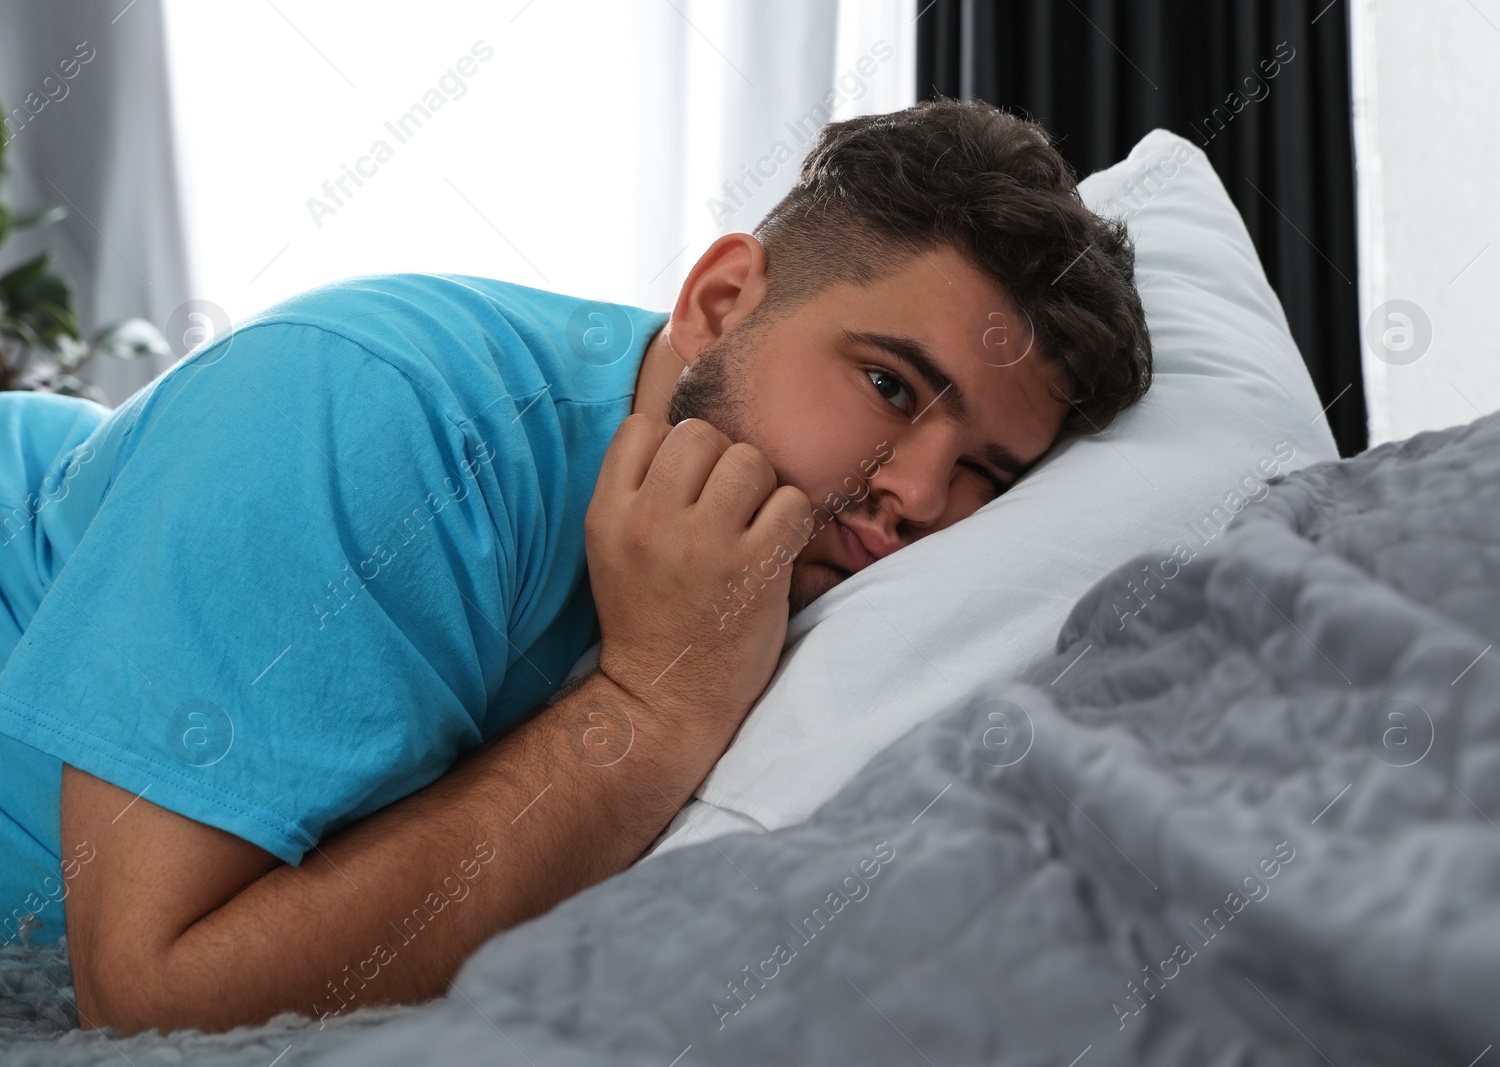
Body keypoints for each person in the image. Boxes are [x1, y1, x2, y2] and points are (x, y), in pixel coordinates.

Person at [0, 98, 1151, 1032]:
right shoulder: (370, 412)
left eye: (985, 475)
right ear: (717, 301)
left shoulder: (835, 584)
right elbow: (151, 997)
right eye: (890, 386)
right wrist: (650, 707)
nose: (915, 497)